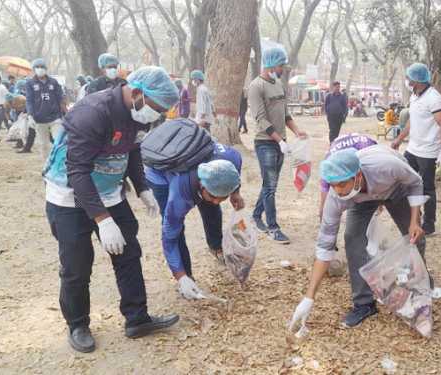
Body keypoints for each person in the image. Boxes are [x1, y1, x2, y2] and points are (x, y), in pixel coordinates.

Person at [42, 66, 180, 353]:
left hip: (109, 192)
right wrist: (103, 221)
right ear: (138, 93)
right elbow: (77, 171)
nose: (159, 115)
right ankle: (78, 324)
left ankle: (137, 317)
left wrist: (141, 188)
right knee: (77, 266)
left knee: (129, 253)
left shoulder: (140, 116)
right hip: (70, 196)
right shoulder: (92, 112)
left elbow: (132, 150)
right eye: (157, 108)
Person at [289, 146, 428, 329]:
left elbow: (415, 182)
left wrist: (414, 221)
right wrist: (309, 298)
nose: (338, 191)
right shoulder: (337, 198)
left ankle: (419, 287)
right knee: (352, 238)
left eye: (342, 184)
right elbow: (324, 248)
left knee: (414, 237)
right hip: (360, 199)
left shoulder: (387, 166)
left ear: (358, 175)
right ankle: (364, 304)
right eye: (333, 185)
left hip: (396, 189)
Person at [144, 134, 244, 298]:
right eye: (213, 196)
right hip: (159, 174)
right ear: (201, 186)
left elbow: (233, 177)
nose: (217, 201)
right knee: (176, 228)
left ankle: (216, 247)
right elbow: (169, 238)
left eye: (222, 198)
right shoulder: (180, 194)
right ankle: (186, 277)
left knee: (212, 209)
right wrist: (180, 275)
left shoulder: (231, 158)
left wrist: (235, 194)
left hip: (198, 173)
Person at [248, 46, 307, 244]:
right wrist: (279, 140)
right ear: (271, 64)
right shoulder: (256, 87)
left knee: (269, 185)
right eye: (281, 65)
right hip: (265, 143)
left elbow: (285, 113)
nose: (283, 69)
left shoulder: (279, 84)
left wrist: (296, 131)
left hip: (281, 142)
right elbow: (261, 119)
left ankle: (256, 216)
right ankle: (273, 227)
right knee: (271, 187)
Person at [391, 63, 441, 236]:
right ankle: (415, 216)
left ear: (416, 80)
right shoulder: (414, 96)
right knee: (402, 181)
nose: (407, 81)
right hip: (412, 149)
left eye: (408, 78)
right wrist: (399, 139)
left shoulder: (434, 98)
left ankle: (429, 225)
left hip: (428, 152)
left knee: (427, 188)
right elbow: (412, 120)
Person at [318, 133, 377, 220]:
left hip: (366, 148)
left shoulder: (367, 153)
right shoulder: (328, 169)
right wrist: (323, 211)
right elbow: (325, 192)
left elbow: (375, 178)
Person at [25, 58, 67, 160]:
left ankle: (60, 162)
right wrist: (30, 115)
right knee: (44, 144)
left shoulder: (53, 82)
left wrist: (65, 113)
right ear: (34, 69)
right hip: (39, 118)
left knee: (59, 141)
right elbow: (29, 100)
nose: (40, 69)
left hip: (55, 117)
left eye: (42, 67)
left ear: (46, 69)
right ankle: (47, 165)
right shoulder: (30, 83)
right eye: (37, 67)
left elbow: (61, 98)